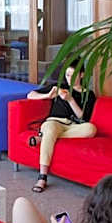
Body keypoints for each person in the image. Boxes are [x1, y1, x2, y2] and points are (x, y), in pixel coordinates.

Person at [26, 59, 97, 192]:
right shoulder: (59, 86)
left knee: (91, 129)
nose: (69, 79)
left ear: (81, 75)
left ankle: (43, 138)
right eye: (67, 75)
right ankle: (42, 177)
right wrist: (48, 95)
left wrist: (70, 100)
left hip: (73, 126)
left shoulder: (88, 94)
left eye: (73, 75)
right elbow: (30, 95)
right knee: (51, 129)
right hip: (53, 122)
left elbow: (83, 117)